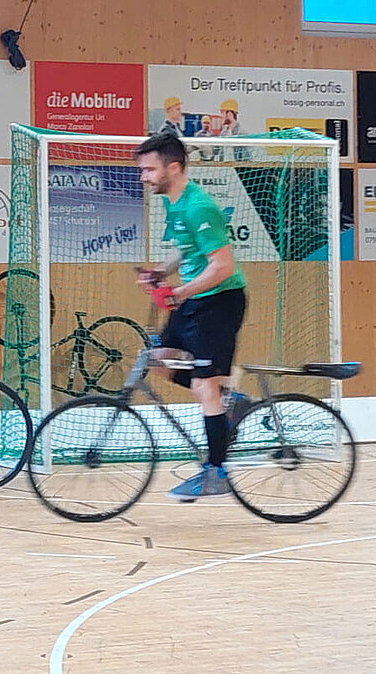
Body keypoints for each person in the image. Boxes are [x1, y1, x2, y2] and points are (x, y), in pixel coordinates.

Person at [134, 133, 247, 501]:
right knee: (158, 361)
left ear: (173, 167)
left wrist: (180, 292)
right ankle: (231, 401)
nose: (143, 177)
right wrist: (161, 273)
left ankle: (217, 472)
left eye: (149, 170)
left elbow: (222, 267)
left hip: (219, 302)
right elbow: (188, 250)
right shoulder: (175, 203)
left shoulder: (199, 206)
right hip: (194, 301)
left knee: (204, 385)